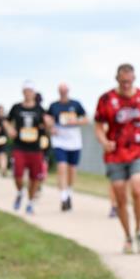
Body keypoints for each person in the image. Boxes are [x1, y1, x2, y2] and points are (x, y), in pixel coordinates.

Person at [95, 64, 140, 253]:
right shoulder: (106, 99)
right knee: (120, 196)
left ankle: (139, 229)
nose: (126, 85)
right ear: (117, 79)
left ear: (134, 79)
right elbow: (98, 125)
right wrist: (103, 141)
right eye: (123, 82)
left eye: (129, 81)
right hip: (115, 153)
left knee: (138, 189)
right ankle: (128, 236)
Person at [4, 81, 47, 215]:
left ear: (34, 93)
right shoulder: (16, 107)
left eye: (30, 91)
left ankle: (30, 202)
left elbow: (46, 124)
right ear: (23, 92)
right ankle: (19, 192)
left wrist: (48, 125)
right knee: (17, 174)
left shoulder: (40, 109)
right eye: (26, 91)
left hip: (35, 148)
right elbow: (6, 120)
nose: (28, 93)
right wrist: (10, 128)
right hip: (19, 147)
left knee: (35, 178)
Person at [46, 83, 88, 211]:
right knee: (62, 167)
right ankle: (63, 197)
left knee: (72, 170)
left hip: (74, 141)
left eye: (65, 90)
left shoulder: (76, 104)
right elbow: (47, 118)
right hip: (60, 141)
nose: (63, 92)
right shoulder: (54, 106)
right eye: (61, 90)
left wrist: (76, 121)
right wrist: (51, 127)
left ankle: (69, 192)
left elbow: (86, 119)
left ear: (68, 91)